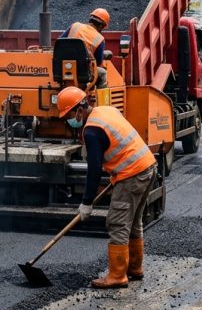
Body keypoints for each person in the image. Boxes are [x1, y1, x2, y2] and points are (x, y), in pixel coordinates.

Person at [58, 86, 157, 289]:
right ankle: (135, 268)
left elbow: (94, 170)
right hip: (148, 166)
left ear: (79, 110)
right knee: (133, 221)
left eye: (68, 115)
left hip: (132, 174)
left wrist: (86, 203)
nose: (68, 120)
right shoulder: (106, 110)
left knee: (117, 223)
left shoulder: (91, 131)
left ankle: (117, 275)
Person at [61, 8, 110, 88]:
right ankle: (100, 96)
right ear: (101, 26)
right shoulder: (99, 39)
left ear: (90, 19)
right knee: (103, 73)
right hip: (82, 72)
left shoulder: (75, 26)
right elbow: (97, 63)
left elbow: (60, 42)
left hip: (62, 67)